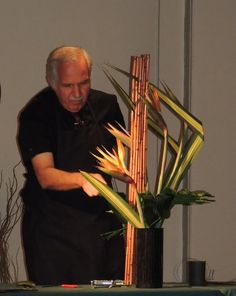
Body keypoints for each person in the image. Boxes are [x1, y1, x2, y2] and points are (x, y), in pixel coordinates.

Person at [17, 46, 125, 285]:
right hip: (53, 231)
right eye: (67, 86)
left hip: (101, 228)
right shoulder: (36, 113)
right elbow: (45, 175)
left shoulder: (107, 106)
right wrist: (83, 179)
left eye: (84, 83)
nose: (77, 93)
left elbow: (123, 159)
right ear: (52, 82)